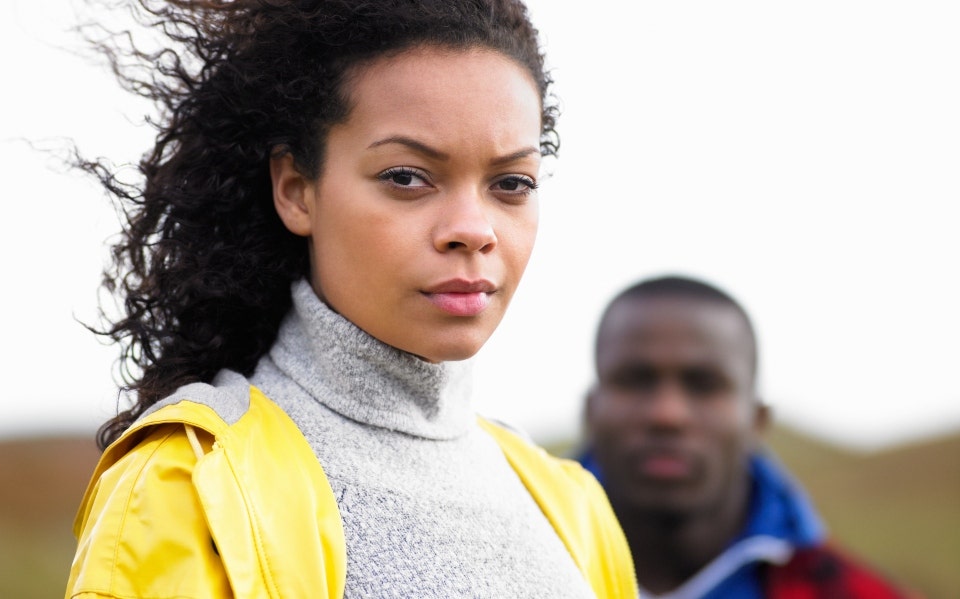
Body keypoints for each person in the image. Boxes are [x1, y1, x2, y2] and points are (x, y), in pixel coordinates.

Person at [65, 1, 637, 598]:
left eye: (511, 183)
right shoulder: (190, 485)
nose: (473, 228)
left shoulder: (569, 506)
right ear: (296, 190)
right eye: (407, 176)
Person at [578, 275, 912, 599]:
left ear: (757, 419)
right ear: (591, 410)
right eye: (636, 379)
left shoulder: (856, 593)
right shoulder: (527, 552)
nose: (668, 414)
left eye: (704, 383)